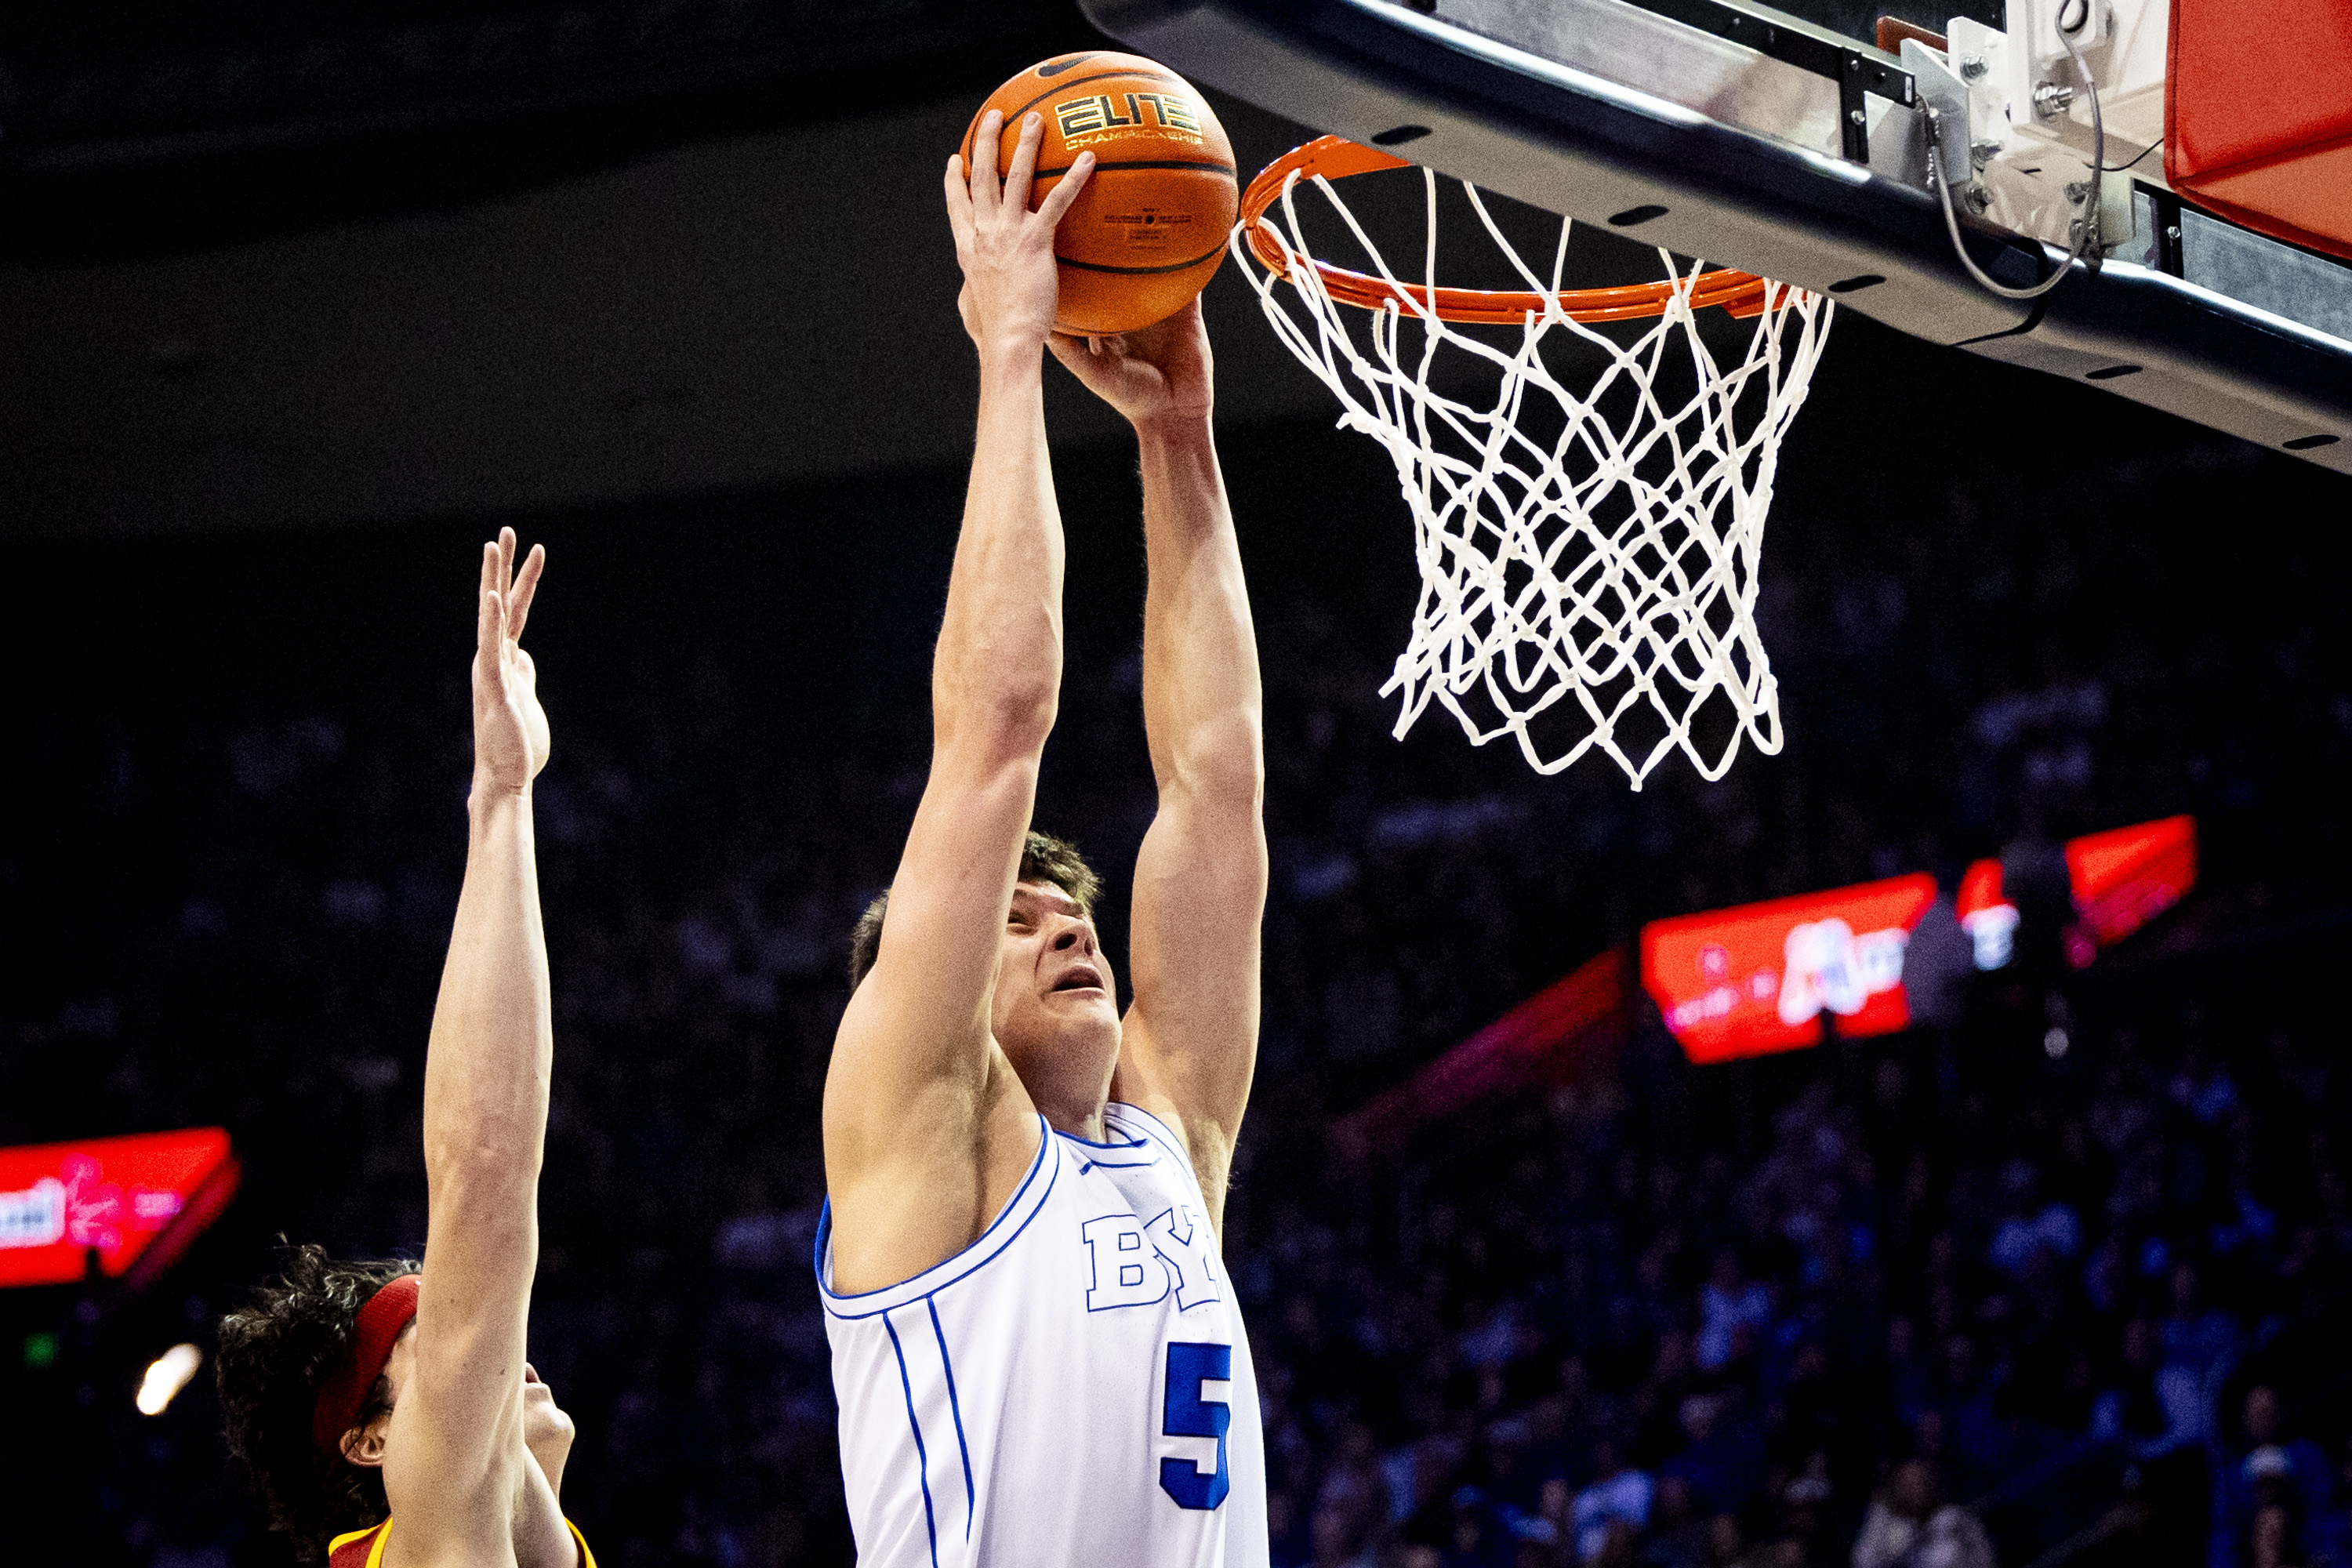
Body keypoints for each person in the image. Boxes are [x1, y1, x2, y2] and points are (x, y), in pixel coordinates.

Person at [817, 107, 1269, 1564]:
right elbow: (996, 730)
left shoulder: (1171, 1138)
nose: (1067, 925)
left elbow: (1215, 788)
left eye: (1061, 911)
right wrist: (1010, 355)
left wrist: (1179, 440)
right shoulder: (920, 1130)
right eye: (1012, 922)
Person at [215, 532, 586, 1567]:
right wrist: (501, 796)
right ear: (375, 1441)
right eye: (438, 1328)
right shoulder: (431, 1542)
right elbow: (484, 1175)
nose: (491, 1329)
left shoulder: (513, 1544)